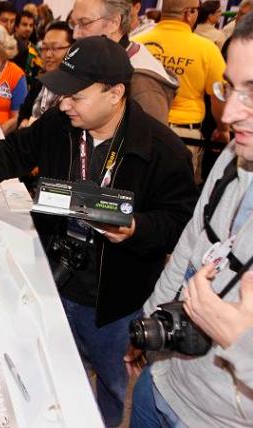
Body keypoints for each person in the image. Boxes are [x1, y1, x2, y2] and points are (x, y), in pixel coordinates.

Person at [0, 36, 198, 426]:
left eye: (76, 97)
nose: (63, 104)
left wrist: (137, 229)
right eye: (62, 95)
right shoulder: (59, 126)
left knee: (113, 388)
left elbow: (179, 223)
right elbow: (11, 152)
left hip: (113, 305)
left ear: (115, 94)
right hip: (52, 283)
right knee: (53, 379)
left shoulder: (162, 150)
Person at [127, 13, 253, 427]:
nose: (230, 113)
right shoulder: (235, 158)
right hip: (163, 382)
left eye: (252, 93)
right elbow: (188, 250)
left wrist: (240, 342)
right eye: (230, 88)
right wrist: (151, 322)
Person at [133, 0, 230, 183]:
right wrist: (222, 128)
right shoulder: (206, 49)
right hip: (185, 136)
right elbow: (219, 96)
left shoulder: (137, 42)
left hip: (141, 131)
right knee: (176, 196)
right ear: (189, 13)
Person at [70, 0, 179, 126]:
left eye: (84, 23)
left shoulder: (141, 80)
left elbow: (153, 142)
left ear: (114, 22)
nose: (75, 34)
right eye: (73, 24)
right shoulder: (99, 60)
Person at [18, 21, 74, 128]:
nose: (48, 54)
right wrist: (24, 121)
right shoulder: (40, 83)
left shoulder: (76, 91)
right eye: (44, 48)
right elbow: (24, 113)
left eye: (55, 48)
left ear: (71, 50)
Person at [13, 10, 42, 81]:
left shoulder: (35, 50)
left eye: (31, 25)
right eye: (24, 24)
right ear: (16, 26)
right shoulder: (7, 45)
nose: (28, 29)